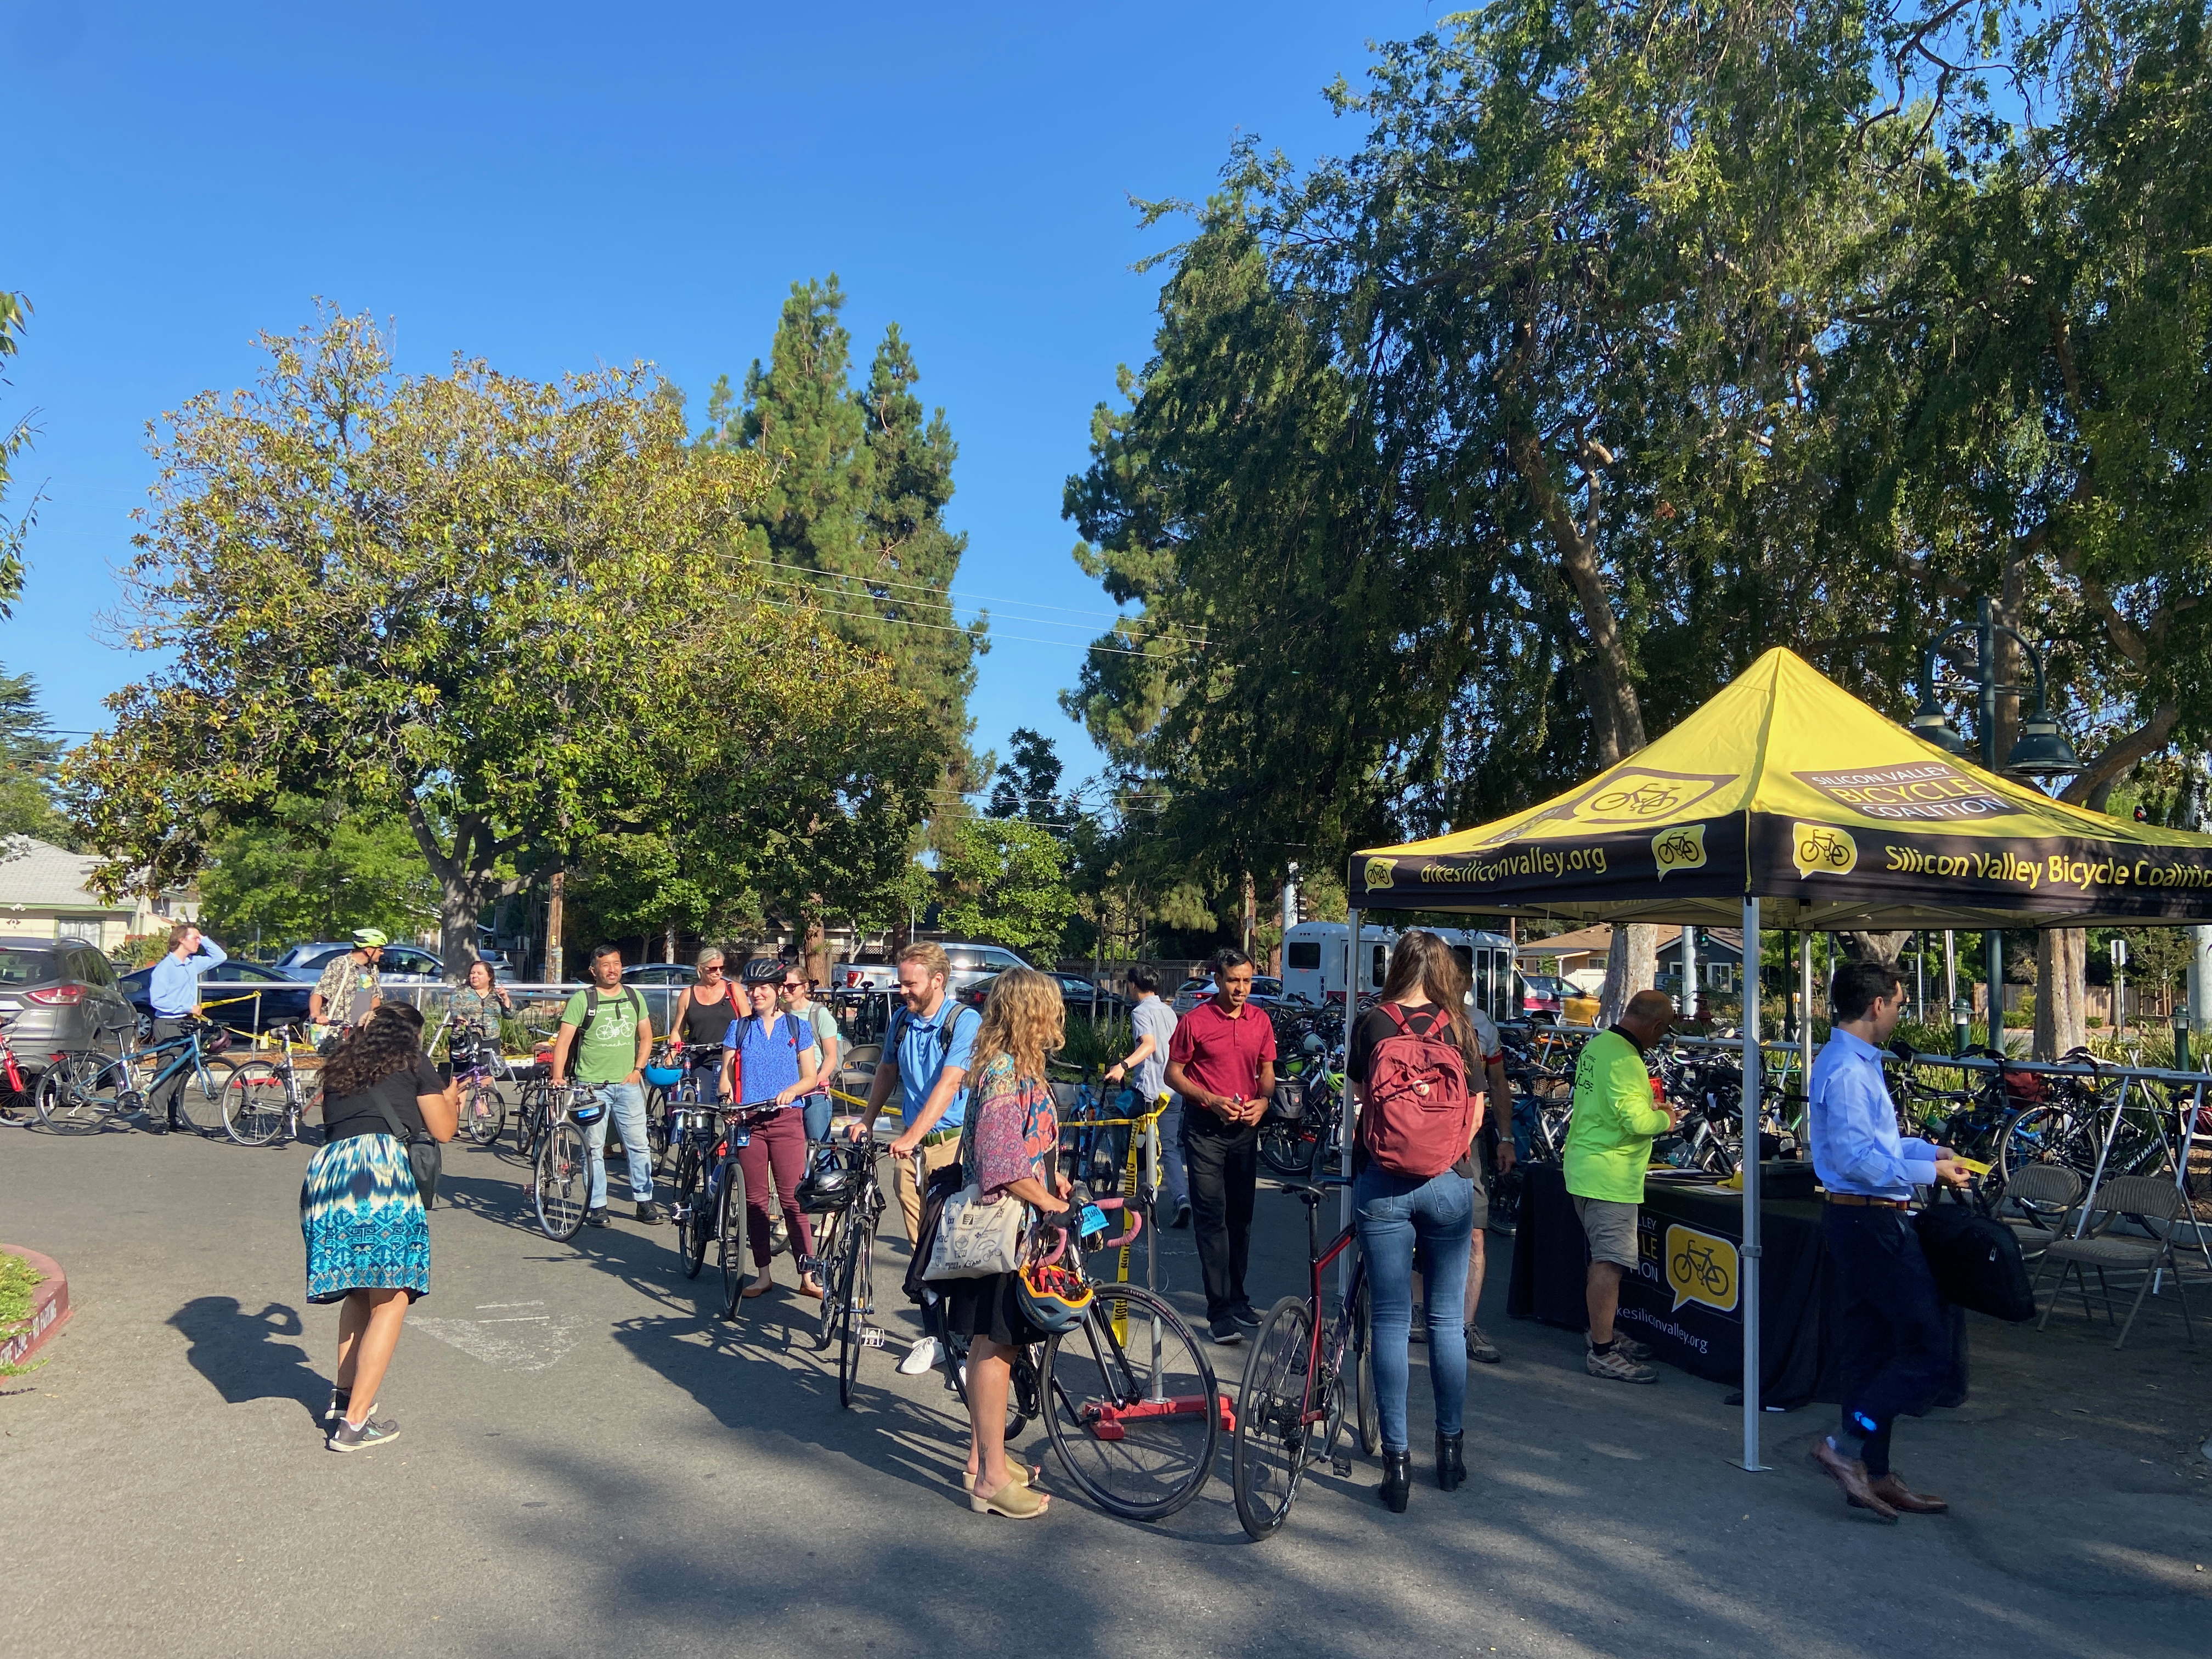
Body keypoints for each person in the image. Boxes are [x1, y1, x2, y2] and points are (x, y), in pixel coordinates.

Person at [1807, 960, 1968, 1521]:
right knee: (1926, 1350)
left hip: (1860, 1218)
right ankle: (1846, 1447)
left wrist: (1927, 1153)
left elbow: (1872, 1145)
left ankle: (1872, 1469)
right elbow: (1858, 1161)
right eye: (1900, 1003)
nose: (1901, 1013)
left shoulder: (1849, 1062)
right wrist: (1931, 1174)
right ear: (1877, 1004)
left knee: (1872, 1350)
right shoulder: (1850, 1070)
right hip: (1870, 1221)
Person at [1347, 929, 1480, 1509]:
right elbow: (1474, 1112)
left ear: (1396, 966)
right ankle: (1449, 1453)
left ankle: (1396, 1466)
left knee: (1391, 1323)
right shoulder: (1460, 1025)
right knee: (1448, 1323)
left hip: (1385, 1187)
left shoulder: (1372, 1022)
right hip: (1448, 1185)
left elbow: (1357, 1102)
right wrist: (1445, 1156)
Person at [944, 966, 1073, 1520]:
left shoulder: (1011, 1068)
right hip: (1002, 1232)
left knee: (988, 1345)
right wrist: (1046, 1201)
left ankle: (981, 1458)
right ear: (1031, 1013)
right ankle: (992, 1480)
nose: (1057, 1021)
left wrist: (1052, 1181)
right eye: (1051, 1010)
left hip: (1006, 1226)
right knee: (997, 1347)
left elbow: (1021, 1147)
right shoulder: (1002, 1072)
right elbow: (1000, 1161)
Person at [301, 1002, 457, 1451]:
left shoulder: (340, 1065)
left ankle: (344, 1398)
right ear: (411, 1034)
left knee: (356, 1290)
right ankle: (354, 1424)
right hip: (381, 1174)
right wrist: (449, 1097)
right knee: (393, 1294)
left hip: (329, 1176)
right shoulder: (413, 1060)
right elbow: (444, 1130)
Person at [855, 941, 982, 1375]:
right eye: (901, 982)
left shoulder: (964, 1022)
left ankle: (966, 1345)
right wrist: (868, 1120)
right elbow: (886, 1071)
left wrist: (911, 1135)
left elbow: (949, 1084)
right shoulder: (901, 1021)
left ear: (938, 981)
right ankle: (935, 1337)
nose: (903, 990)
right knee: (921, 1249)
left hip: (952, 1145)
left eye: (910, 983)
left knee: (959, 1249)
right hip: (911, 1149)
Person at [1561, 988, 1681, 1383]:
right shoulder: (1628, 1061)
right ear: (1657, 1026)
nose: (1661, 1040)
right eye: (1663, 1033)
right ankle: (1602, 1350)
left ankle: (1604, 1334)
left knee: (1600, 1258)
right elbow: (1637, 1123)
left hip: (1585, 1164)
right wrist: (1667, 1117)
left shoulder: (1598, 1046)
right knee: (1609, 1263)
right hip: (1610, 1173)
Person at [1164, 948, 1277, 1345]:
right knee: (1212, 1218)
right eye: (1233, 981)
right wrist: (1209, 1099)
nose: (1241, 989)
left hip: (1245, 1129)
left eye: (1247, 981)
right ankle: (1219, 1311)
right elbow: (1172, 1074)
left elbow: (1266, 1071)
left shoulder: (1260, 1020)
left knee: (1241, 1218)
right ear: (1218, 979)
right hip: (1205, 1129)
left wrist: (1264, 1102)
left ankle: (1238, 1298)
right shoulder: (1196, 1021)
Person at [719, 957, 823, 1299]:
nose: (756, 994)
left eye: (763, 987)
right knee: (755, 1201)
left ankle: (807, 1275)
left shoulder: (798, 1027)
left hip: (787, 1120)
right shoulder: (739, 1028)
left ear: (778, 990)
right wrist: (727, 1100)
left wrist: (793, 1091)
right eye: (752, 988)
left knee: (795, 1199)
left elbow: (810, 1077)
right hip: (750, 1121)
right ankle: (762, 1274)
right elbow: (726, 1077)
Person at [550, 944, 660, 1228]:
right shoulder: (582, 1000)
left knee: (638, 1145)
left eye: (617, 963)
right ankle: (597, 1206)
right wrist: (558, 1075)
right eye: (606, 965)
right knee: (594, 1148)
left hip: (628, 1085)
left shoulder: (634, 997)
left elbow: (647, 1037)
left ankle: (645, 1201)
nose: (613, 970)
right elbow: (563, 1042)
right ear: (594, 970)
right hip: (591, 1087)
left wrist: (638, 1070)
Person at [1103, 966, 1185, 1227]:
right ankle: (1181, 1198)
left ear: (1133, 985)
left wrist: (1123, 1066)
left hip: (1150, 1091)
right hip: (1173, 1090)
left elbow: (1149, 1045)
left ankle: (1143, 1197)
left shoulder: (1140, 1012)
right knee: (1169, 1147)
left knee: (1139, 1143)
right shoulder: (1169, 1012)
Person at [143, 921, 228, 1135]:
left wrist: (204, 937)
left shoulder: (193, 963)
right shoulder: (165, 968)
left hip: (186, 1022)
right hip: (168, 1022)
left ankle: (175, 1116)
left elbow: (221, 957)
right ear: (181, 940)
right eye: (194, 938)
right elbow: (157, 1001)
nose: (198, 942)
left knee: (183, 1072)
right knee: (167, 1071)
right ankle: (155, 1118)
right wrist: (186, 1006)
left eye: (199, 939)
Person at [667, 947, 741, 1102]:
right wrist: (671, 1054)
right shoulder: (688, 994)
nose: (718, 972)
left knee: (731, 1110)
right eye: (713, 969)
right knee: (704, 1110)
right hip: (701, 1061)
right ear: (701, 968)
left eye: (722, 968)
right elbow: (678, 1029)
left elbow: (747, 1024)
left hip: (732, 1061)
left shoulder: (733, 990)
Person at [780, 965, 841, 1147]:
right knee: (791, 1152)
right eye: (782, 986)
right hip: (786, 1091)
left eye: (792, 986)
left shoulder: (818, 1013)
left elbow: (831, 1056)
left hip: (813, 1092)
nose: (786, 990)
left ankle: (830, 1174)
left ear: (805, 987)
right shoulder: (778, 1013)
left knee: (819, 1150)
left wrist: (818, 1080)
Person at [309, 928, 386, 1033]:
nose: (382, 953)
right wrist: (316, 1015)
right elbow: (319, 992)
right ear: (369, 950)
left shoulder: (373, 969)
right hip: (339, 1030)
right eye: (380, 950)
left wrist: (374, 1020)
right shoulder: (340, 964)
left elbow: (375, 998)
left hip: (362, 1030)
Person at [449, 957, 512, 1033]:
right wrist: (459, 1018)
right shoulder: (460, 991)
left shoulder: (496, 994)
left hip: (492, 1039)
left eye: (480, 974)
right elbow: (454, 1008)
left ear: (490, 977)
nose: (475, 976)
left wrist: (505, 999)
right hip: (466, 1038)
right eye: (472, 973)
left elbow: (510, 1016)